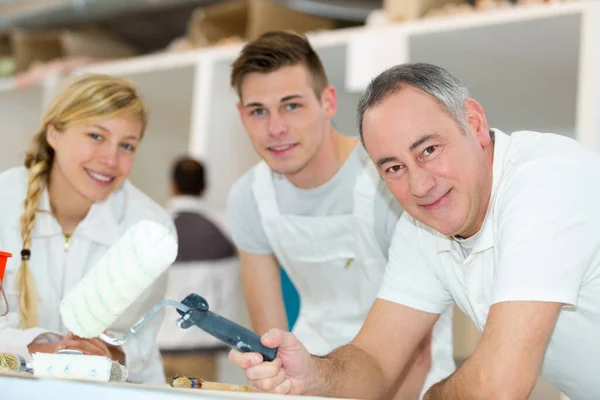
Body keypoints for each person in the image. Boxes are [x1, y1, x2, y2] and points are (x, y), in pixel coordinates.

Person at [228, 62, 600, 399]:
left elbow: (499, 385)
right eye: (393, 168)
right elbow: (374, 360)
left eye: (429, 150)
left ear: (474, 123)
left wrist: (431, 397)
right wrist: (314, 374)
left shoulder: (545, 180)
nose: (420, 185)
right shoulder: (422, 226)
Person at [226, 32, 456, 398]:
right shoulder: (248, 198)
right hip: (311, 372)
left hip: (412, 384)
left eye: (292, 105)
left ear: (328, 102)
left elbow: (416, 350)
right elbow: (269, 340)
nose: (276, 129)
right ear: (241, 115)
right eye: (258, 111)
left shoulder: (388, 182)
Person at [0, 74, 175, 383]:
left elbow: (140, 342)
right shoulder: (4, 202)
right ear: (53, 133)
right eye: (96, 136)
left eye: (127, 145)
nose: (110, 159)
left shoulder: (149, 229)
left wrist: (110, 353)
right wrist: (45, 349)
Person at [158, 156, 238, 382]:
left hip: (154, 351)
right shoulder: (226, 226)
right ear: (205, 187)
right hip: (201, 350)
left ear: (172, 185)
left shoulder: (155, 225)